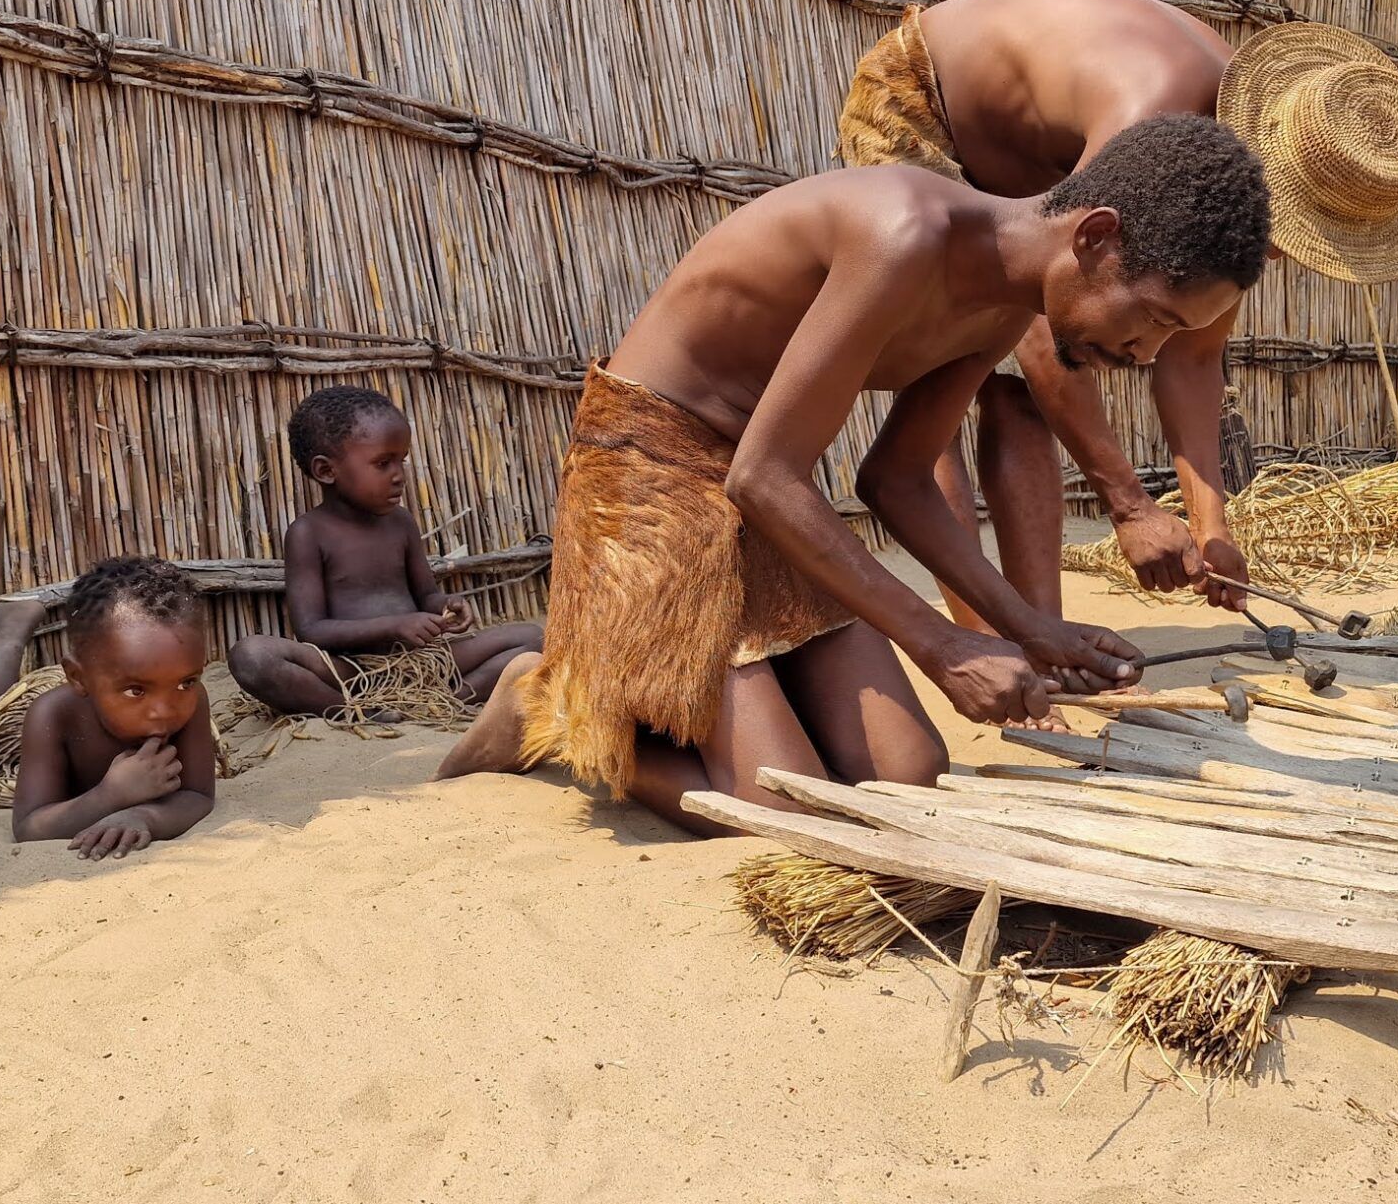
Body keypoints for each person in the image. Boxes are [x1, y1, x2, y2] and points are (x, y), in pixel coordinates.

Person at [437, 113, 1271, 833]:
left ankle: (717, 700)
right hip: (650, 474)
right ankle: (551, 699)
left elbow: (896, 477)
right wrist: (941, 644)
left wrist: (1025, 627)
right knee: (786, 809)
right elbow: (763, 475)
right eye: (1155, 319)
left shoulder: (1009, 299)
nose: (1144, 355)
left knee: (906, 776)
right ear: (1095, 237)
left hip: (766, 491)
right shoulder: (903, 234)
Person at [837, 0, 1253, 622]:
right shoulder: (1152, 117)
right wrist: (1131, 506)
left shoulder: (1228, 187)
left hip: (1035, 171)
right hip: (927, 101)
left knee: (1019, 398)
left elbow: (1194, 359)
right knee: (940, 380)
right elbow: (1046, 323)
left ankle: (1040, 633)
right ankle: (983, 641)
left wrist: (1211, 529)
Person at [228, 386, 543, 720]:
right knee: (252, 656)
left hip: (425, 661)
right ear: (325, 471)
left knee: (534, 637)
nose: (398, 476)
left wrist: (445, 606)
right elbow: (310, 629)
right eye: (382, 463)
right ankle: (353, 711)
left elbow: (425, 594)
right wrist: (392, 626)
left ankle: (445, 700)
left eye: (401, 461)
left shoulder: (401, 523)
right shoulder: (308, 533)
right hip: (350, 670)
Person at [0, 556, 221, 858]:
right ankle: (13, 629)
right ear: (78, 678)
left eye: (185, 683)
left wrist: (144, 816)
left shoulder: (192, 701)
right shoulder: (52, 715)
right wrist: (109, 797)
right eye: (136, 690)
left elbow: (198, 795)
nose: (163, 710)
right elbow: (29, 827)